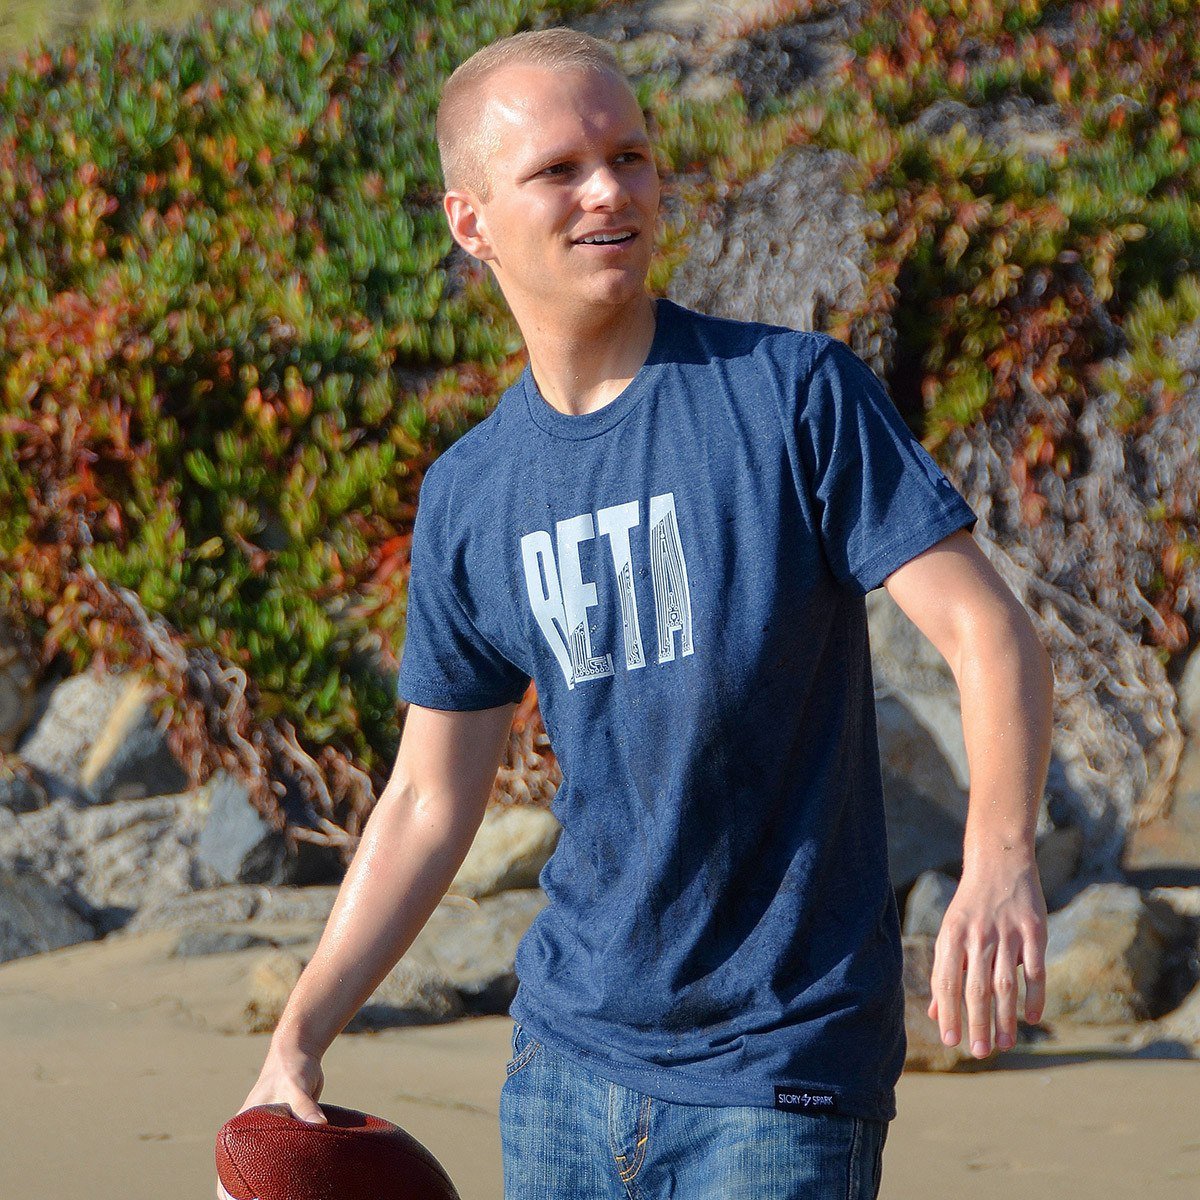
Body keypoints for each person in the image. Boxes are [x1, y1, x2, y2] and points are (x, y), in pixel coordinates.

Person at [233, 27, 1053, 1199]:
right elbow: (426, 796)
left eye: (630, 155)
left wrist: (1000, 859)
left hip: (781, 1067)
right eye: (558, 170)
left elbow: (986, 632)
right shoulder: (474, 492)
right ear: (471, 222)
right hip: (565, 1066)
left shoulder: (791, 397)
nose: (609, 190)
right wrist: (299, 1033)